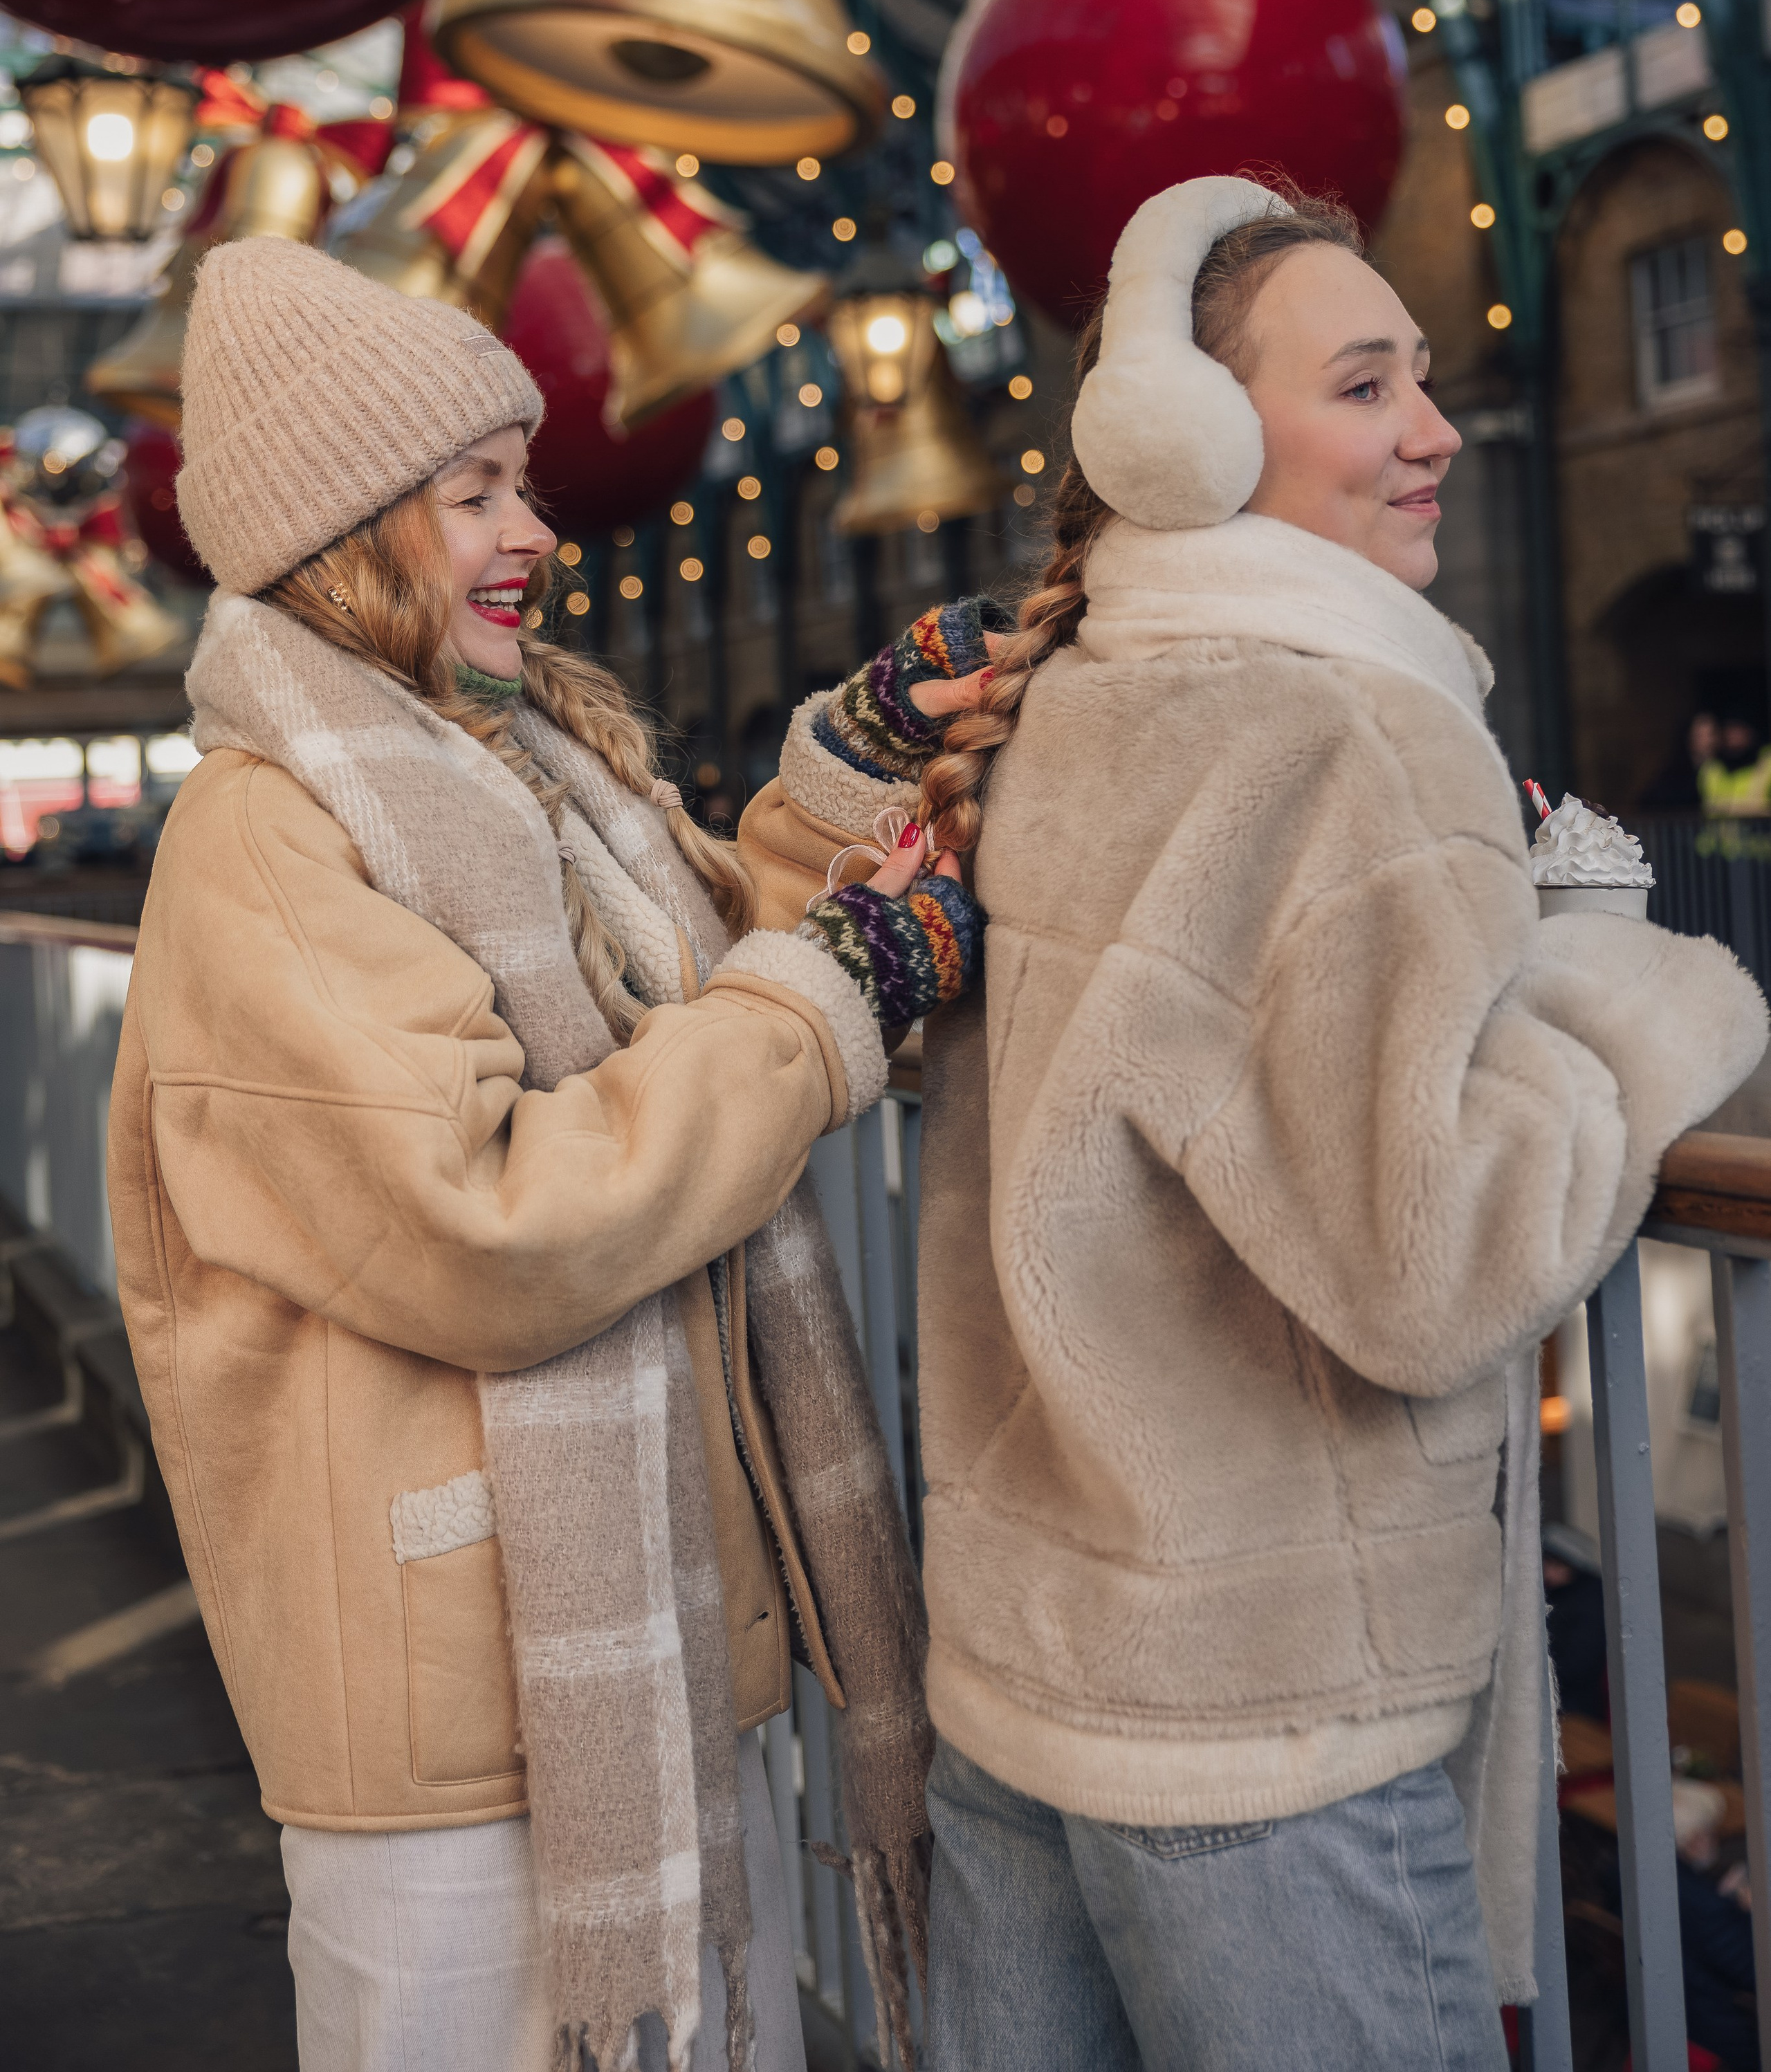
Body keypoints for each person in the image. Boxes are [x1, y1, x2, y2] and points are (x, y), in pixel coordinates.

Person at [744, 176, 1768, 2070]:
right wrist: (1638, 1001)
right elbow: (1437, 1262)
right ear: (1194, 441)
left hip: (1025, 1675)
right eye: (1368, 386)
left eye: (1425, 378)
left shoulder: (1064, 707)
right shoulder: (1347, 736)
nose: (1436, 428)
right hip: (1264, 1721)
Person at [105, 239, 980, 2072]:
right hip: (456, 1726)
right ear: (347, 535)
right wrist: (836, 1001)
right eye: (476, 493)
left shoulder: (524, 779)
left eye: (526, 485)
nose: (536, 533)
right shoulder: (270, 843)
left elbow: (730, 970)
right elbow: (496, 1224)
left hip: (612, 1646)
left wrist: (858, 766)